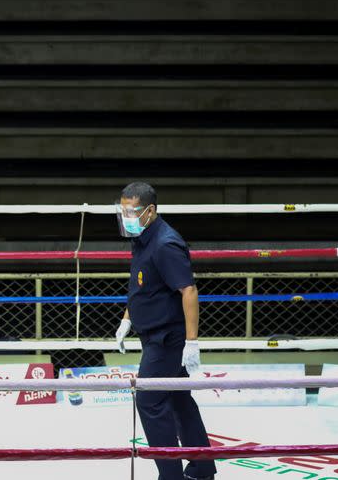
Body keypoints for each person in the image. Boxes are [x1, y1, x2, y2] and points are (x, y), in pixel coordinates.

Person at [113, 182, 216, 480]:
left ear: (150, 210)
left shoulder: (165, 244)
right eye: (123, 210)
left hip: (166, 339)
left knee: (149, 400)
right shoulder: (143, 237)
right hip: (153, 335)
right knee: (178, 399)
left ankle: (170, 476)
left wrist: (192, 342)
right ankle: (202, 466)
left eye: (131, 211)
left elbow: (189, 290)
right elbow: (143, 286)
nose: (126, 216)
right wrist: (127, 319)